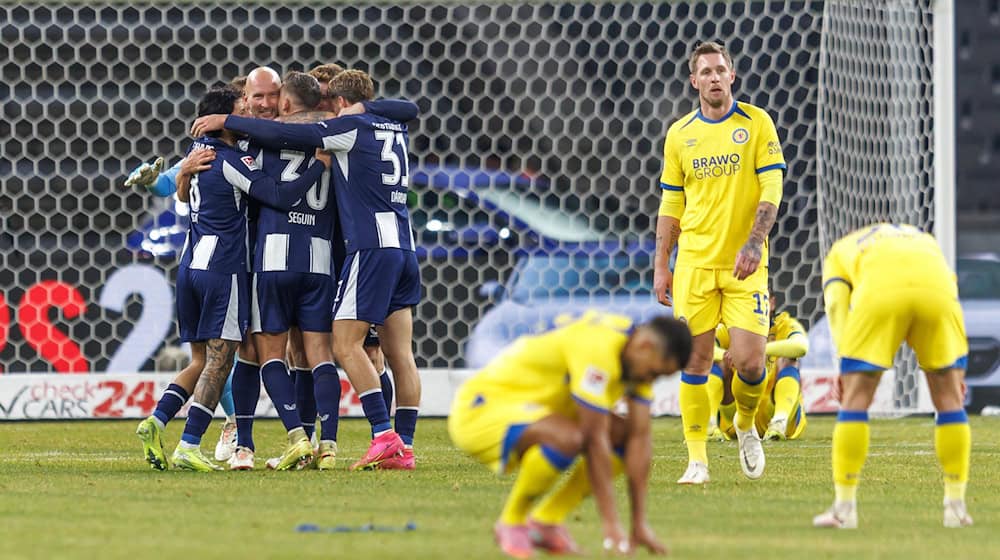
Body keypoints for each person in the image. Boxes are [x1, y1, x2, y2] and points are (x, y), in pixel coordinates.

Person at [192, 70, 422, 471]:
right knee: (394, 354)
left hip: (348, 251)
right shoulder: (391, 125)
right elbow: (411, 107)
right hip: (397, 245)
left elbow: (288, 140)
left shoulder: (340, 129)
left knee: (332, 347)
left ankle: (373, 436)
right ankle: (392, 444)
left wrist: (226, 122)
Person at [135, 86, 329, 471]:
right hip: (224, 269)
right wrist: (318, 167)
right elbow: (276, 195)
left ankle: (156, 421)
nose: (244, 116)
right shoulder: (231, 160)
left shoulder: (196, 157)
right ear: (222, 120)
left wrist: (182, 178)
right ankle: (190, 443)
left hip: (191, 265)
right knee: (221, 363)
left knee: (200, 360)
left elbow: (180, 192)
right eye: (239, 109)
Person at [448, 311, 690, 557]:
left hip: (532, 411)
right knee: (571, 438)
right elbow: (594, 438)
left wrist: (638, 524)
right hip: (481, 409)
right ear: (646, 346)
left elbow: (639, 438)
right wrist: (612, 526)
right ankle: (512, 521)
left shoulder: (634, 355)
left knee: (623, 435)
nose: (651, 380)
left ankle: (546, 521)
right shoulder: (599, 347)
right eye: (654, 373)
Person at [653, 41, 786, 484]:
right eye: (705, 71)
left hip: (745, 265)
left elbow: (772, 190)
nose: (713, 77)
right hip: (693, 264)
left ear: (732, 76)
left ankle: (746, 424)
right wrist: (661, 263)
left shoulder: (757, 123)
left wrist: (754, 243)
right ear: (694, 81)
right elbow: (671, 204)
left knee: (749, 363)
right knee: (695, 360)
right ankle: (697, 460)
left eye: (720, 70)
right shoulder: (680, 134)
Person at [813, 223, 972, 529]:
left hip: (882, 293)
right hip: (936, 292)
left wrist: (844, 363)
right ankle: (956, 507)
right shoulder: (923, 239)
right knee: (950, 402)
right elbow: (949, 289)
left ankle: (844, 510)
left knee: (855, 401)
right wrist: (957, 372)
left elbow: (835, 304)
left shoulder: (841, 250)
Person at [707, 291, 809, 442]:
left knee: (789, 359)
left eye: (760, 300)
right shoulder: (730, 329)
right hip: (736, 412)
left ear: (772, 303)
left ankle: (779, 422)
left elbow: (801, 347)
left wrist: (758, 351)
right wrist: (725, 355)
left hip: (771, 409)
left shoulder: (785, 324)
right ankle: (709, 424)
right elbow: (700, 350)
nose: (755, 308)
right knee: (716, 361)